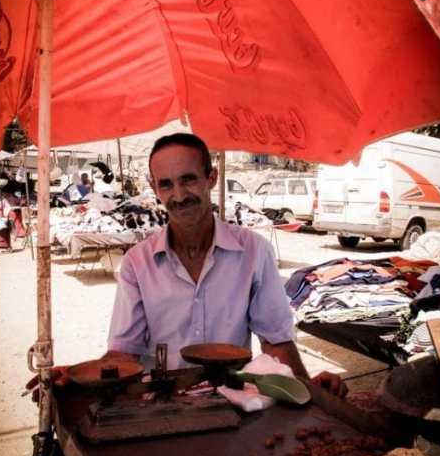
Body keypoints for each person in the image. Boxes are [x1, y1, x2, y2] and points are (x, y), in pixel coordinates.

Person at [27, 132, 347, 397]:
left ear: (211, 178)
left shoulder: (254, 252)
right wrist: (77, 377)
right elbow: (124, 354)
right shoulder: (137, 264)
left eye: (189, 180)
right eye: (166, 184)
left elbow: (276, 342)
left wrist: (309, 391)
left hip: (232, 402)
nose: (179, 195)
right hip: (160, 406)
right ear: (155, 190)